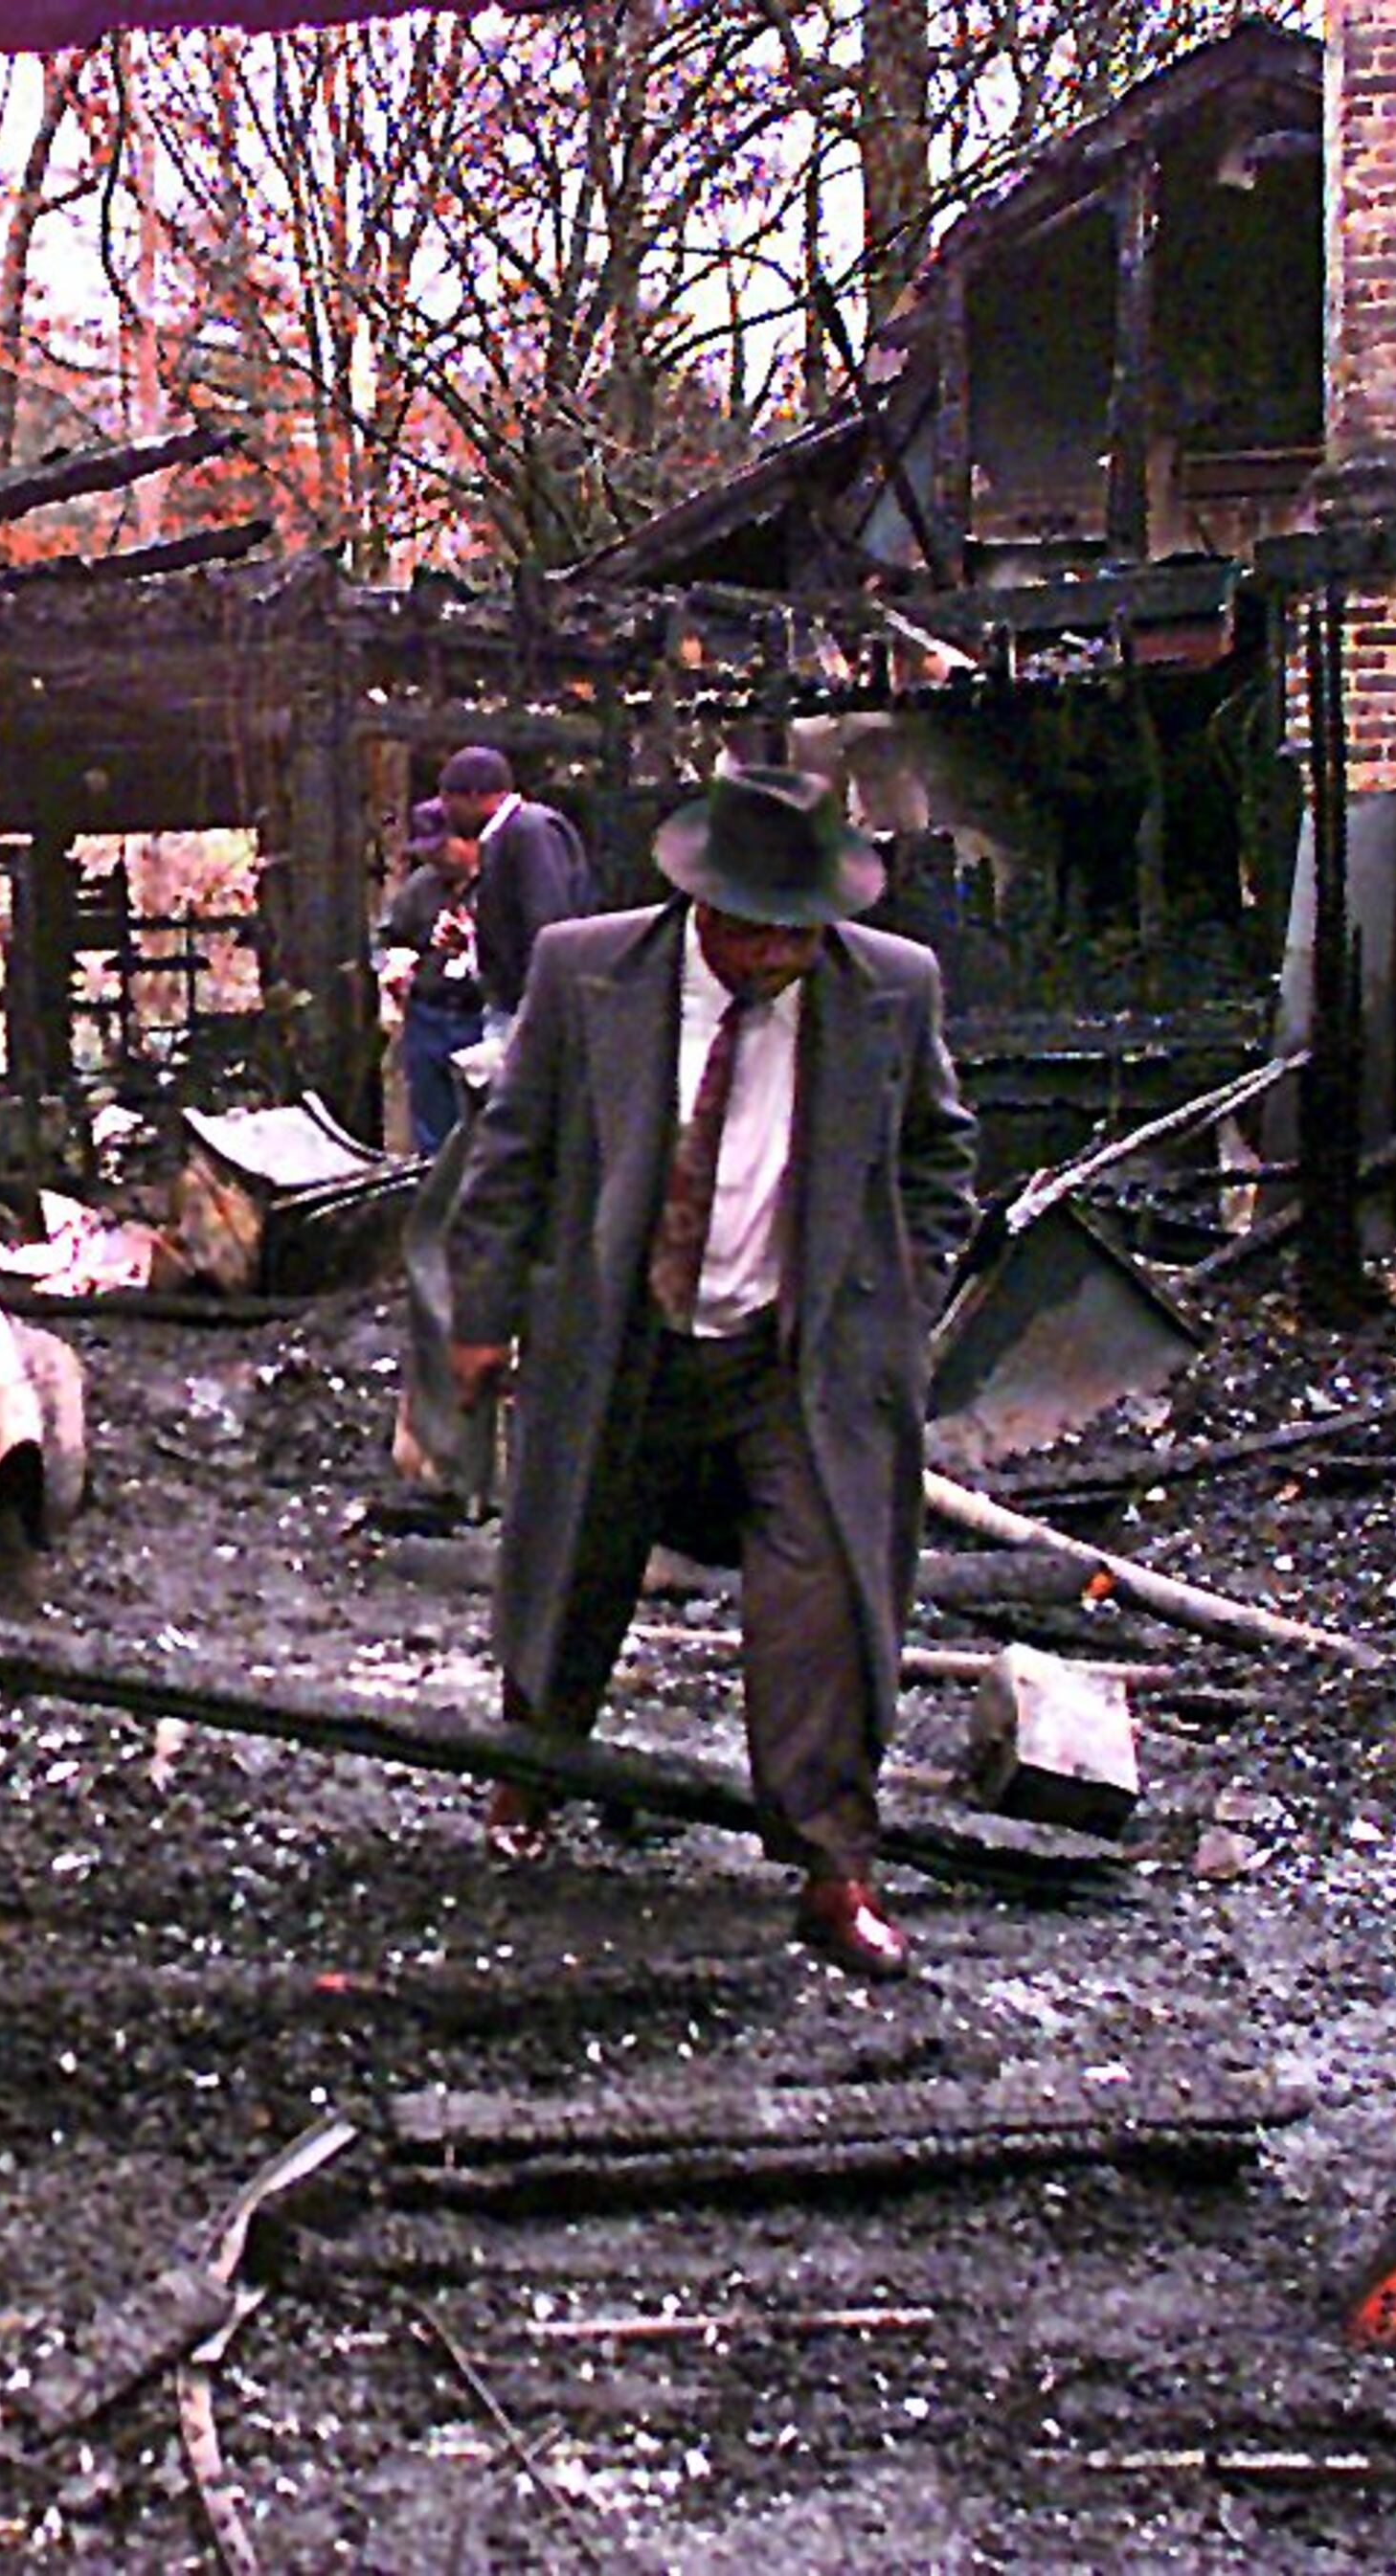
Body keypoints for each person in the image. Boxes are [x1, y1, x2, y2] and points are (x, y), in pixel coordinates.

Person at [417, 757, 978, 1978]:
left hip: (795, 1353)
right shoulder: (587, 970)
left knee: (826, 1597)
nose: (782, 955)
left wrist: (900, 1306)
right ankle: (533, 1774)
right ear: (704, 909)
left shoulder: (886, 988)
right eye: (760, 933)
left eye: (804, 932)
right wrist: (482, 1315)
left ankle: (834, 1866)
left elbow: (940, 1159)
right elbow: (506, 1158)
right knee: (572, 1563)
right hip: (621, 1336)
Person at [436, 743, 596, 1032]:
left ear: (474, 795)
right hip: (517, 1006)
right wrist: (473, 938)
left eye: (448, 800)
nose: (446, 812)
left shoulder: (529, 832)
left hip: (531, 1012)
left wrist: (540, 1013)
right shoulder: (506, 835)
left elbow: (547, 925)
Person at [374, 796, 485, 1156]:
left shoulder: (499, 882)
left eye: (441, 847)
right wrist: (393, 966)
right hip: (428, 1016)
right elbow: (391, 938)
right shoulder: (420, 887)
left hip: (479, 1015)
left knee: (481, 1124)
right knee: (432, 1128)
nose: (434, 857)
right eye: (427, 850)